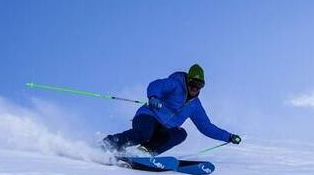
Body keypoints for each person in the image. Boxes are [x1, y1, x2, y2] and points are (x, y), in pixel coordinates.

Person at [102, 64, 241, 155]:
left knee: (181, 133)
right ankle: (110, 143)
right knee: (145, 133)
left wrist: (228, 137)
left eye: (199, 85)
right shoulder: (175, 84)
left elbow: (206, 127)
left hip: (163, 129)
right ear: (187, 80)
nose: (195, 88)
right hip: (148, 117)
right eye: (193, 83)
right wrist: (153, 97)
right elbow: (156, 85)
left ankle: (145, 152)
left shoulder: (195, 105)